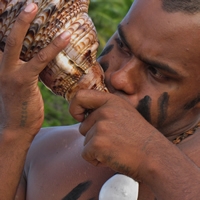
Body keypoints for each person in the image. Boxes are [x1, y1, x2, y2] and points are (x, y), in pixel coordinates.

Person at [1, 0, 200, 199]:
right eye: (122, 46)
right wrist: (15, 131)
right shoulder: (42, 152)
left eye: (156, 72)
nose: (119, 78)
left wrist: (152, 156)